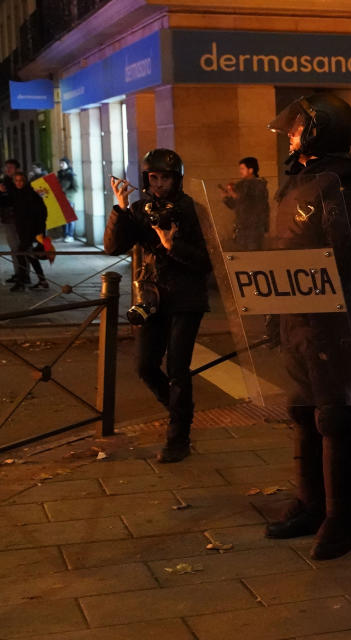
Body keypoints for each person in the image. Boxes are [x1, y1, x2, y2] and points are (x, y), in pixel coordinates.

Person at [262, 93, 351, 561]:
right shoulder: (300, 180)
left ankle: (341, 519)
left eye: (296, 128)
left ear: (317, 130)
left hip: (336, 320)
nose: (290, 135)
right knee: (302, 410)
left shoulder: (344, 184)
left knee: (335, 416)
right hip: (298, 317)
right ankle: (309, 504)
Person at [105, 148, 211, 463]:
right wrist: (121, 210)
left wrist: (171, 245)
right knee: (145, 366)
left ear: (177, 178)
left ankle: (178, 437)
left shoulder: (193, 210)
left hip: (186, 297)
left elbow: (206, 262)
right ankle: (181, 412)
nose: (160, 183)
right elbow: (113, 246)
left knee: (178, 368)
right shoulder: (140, 209)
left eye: (166, 177)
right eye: (154, 177)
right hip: (152, 297)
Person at [0, 171, 48, 291]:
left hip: (31, 229)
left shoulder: (32, 194)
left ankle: (22, 281)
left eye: (21, 181)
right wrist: (0, 192)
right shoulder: (15, 193)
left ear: (25, 181)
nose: (19, 183)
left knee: (21, 252)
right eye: (17, 181)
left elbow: (41, 214)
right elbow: (1, 203)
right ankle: (42, 280)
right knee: (29, 255)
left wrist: (41, 232)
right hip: (22, 229)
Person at [220, 157, 269, 251]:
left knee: (253, 255)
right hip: (241, 228)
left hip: (254, 228)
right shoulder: (240, 185)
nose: (240, 171)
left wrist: (235, 195)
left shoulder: (259, 185)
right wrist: (226, 197)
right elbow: (234, 205)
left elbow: (256, 203)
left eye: (242, 168)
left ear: (251, 170)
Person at [0, 159, 25, 283]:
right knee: (14, 248)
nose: (7, 169)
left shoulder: (20, 183)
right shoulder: (5, 182)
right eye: (6, 167)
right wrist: (1, 192)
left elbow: (17, 201)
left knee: (20, 248)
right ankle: (18, 273)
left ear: (17, 169)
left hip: (18, 219)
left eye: (11, 167)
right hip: (7, 219)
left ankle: (23, 275)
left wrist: (5, 193)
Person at [57, 158, 78, 242]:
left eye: (63, 163)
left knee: (69, 217)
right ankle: (65, 234)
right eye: (60, 163)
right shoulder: (60, 174)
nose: (61, 165)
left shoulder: (71, 175)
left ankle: (70, 235)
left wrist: (65, 191)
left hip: (69, 198)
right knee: (63, 217)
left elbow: (76, 188)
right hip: (61, 198)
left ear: (67, 164)